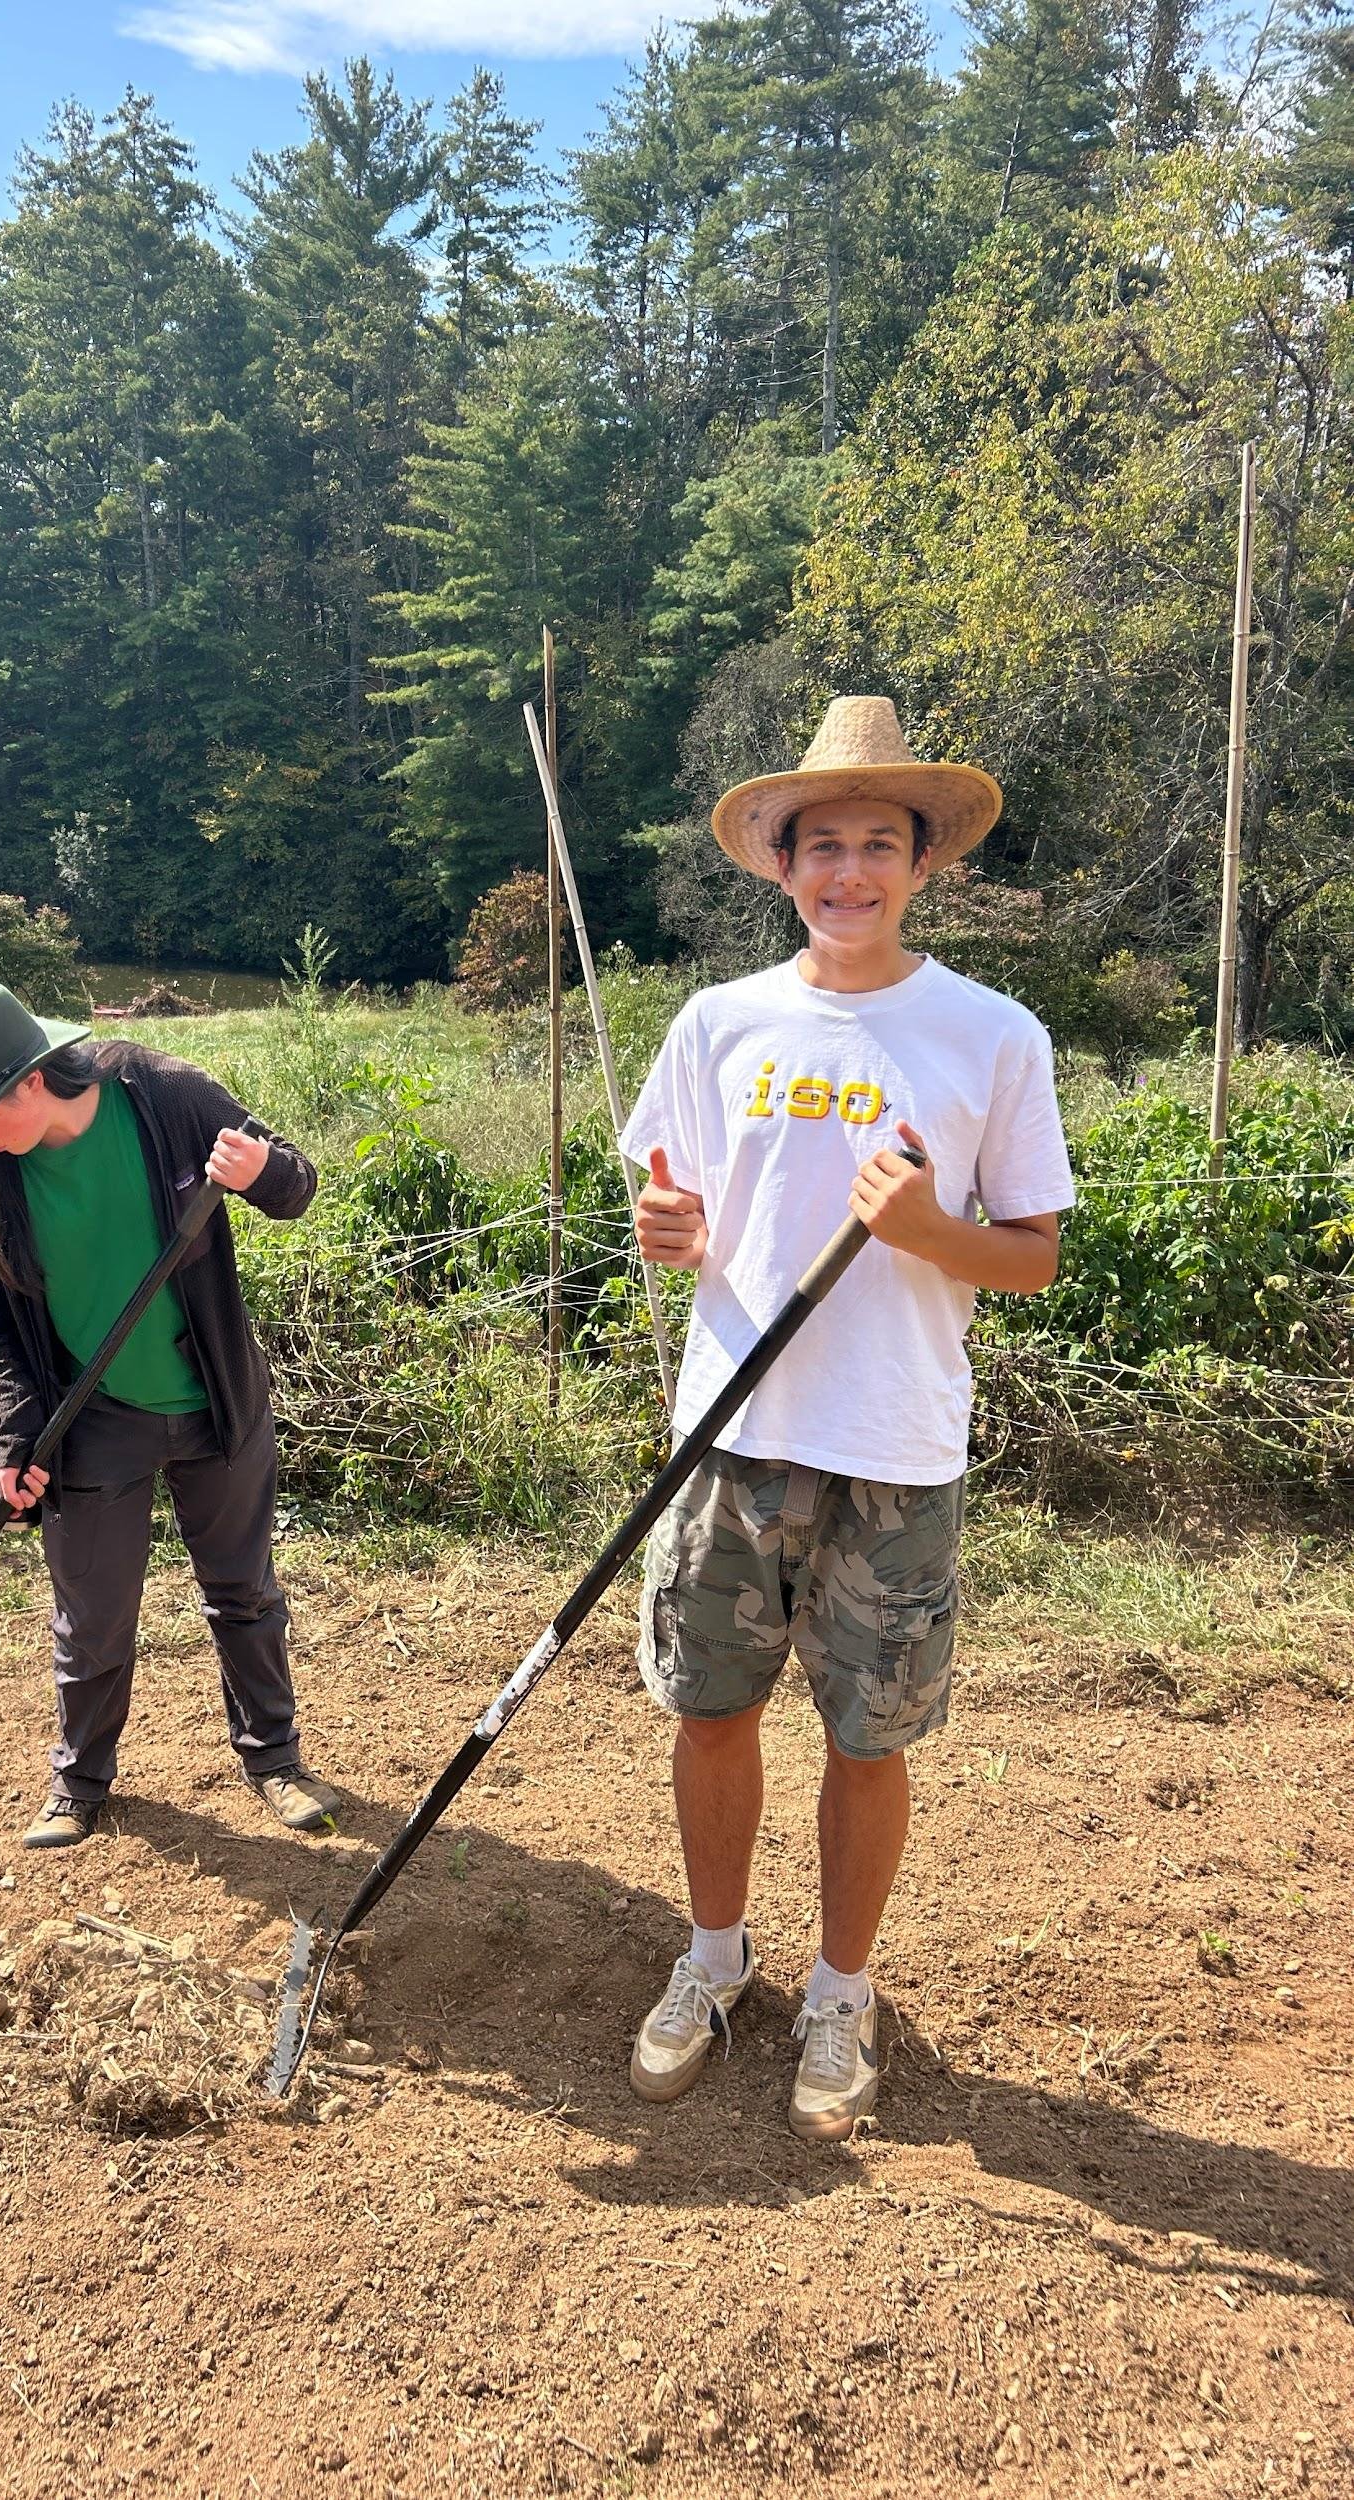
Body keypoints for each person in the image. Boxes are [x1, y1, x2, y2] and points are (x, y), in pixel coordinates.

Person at [619, 697, 1073, 2140]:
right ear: (780, 864)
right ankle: (710, 1957)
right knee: (707, 1716)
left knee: (865, 1742)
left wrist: (933, 1228)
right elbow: (666, 1209)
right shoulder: (718, 1023)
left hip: (892, 1443)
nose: (849, 873)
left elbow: (1034, 1253)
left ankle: (838, 1985)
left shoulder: (989, 1036)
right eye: (823, 847)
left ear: (920, 863)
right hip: (730, 1437)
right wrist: (665, 1230)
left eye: (879, 844)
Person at [0, 978, 340, 1850]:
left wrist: (262, 1172)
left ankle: (274, 1762)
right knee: (90, 1613)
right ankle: (80, 1782)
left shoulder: (164, 1094)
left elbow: (294, 1185)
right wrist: (13, 1435)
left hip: (215, 1399)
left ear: (29, 1081)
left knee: (242, 1593)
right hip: (88, 1416)